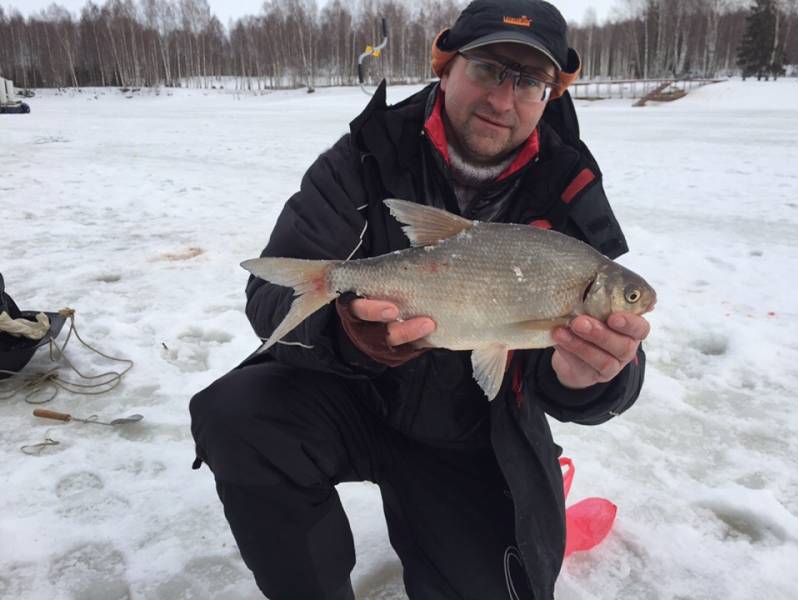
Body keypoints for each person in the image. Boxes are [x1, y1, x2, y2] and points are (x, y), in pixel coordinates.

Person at [190, 1, 652, 598]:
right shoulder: (364, 155)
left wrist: (590, 377)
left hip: (474, 437)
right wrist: (350, 338)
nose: (503, 100)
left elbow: (602, 373)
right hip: (351, 401)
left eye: (529, 82)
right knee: (238, 416)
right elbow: (271, 297)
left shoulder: (569, 190)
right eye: (487, 68)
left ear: (552, 95)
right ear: (445, 65)